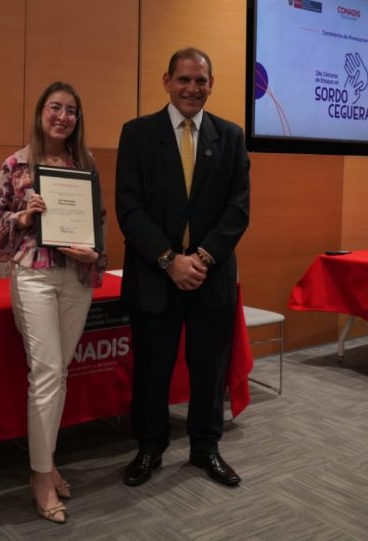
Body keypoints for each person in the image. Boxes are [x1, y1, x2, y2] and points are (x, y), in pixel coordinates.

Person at [115, 47, 250, 489]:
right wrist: (170, 261)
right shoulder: (137, 134)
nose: (192, 88)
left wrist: (203, 258)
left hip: (212, 276)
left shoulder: (231, 136)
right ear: (167, 81)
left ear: (211, 85)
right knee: (152, 369)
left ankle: (205, 448)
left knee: (210, 370)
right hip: (155, 275)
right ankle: (149, 447)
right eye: (184, 80)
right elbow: (129, 208)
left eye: (201, 81)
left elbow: (238, 209)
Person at [0, 82, 106, 524]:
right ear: (41, 113)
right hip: (33, 273)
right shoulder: (17, 163)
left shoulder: (85, 162)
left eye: (71, 110)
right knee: (47, 373)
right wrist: (23, 216)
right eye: (55, 107)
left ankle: (48, 461)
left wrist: (94, 252)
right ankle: (40, 475)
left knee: (59, 373)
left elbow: (97, 219)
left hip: (76, 276)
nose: (62, 116)